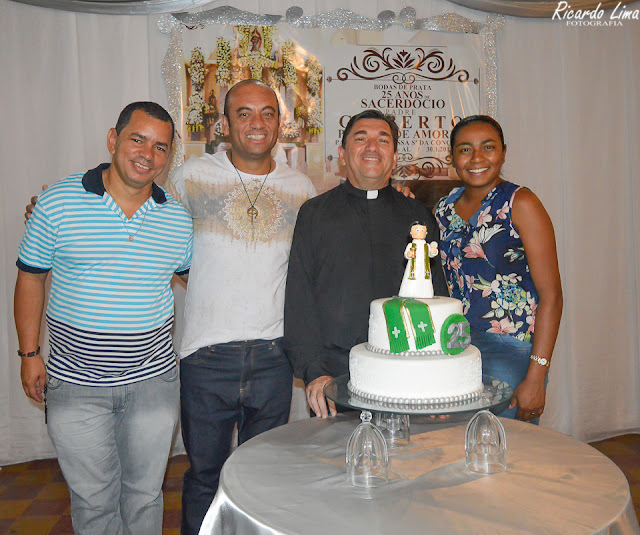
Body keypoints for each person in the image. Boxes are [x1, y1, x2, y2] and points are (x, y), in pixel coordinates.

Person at [15, 101, 193, 534]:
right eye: (137, 139)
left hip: (152, 383)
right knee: (94, 502)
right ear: (113, 140)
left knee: (145, 495)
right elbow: (31, 278)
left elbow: (204, 280)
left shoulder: (177, 220)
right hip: (74, 385)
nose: (147, 154)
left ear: (169, 157)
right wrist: (29, 354)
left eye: (160, 147)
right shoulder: (58, 202)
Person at [166, 79, 317, 535]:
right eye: (244, 113)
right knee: (204, 477)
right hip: (206, 355)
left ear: (280, 122)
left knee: (262, 477)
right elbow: (151, 231)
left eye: (268, 113)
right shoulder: (190, 176)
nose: (257, 123)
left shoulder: (300, 186)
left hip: (274, 356)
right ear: (224, 123)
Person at [284, 109, 448, 419]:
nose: (372, 147)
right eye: (361, 139)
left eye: (382, 140)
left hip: (407, 371)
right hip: (335, 377)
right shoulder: (314, 214)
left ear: (394, 157)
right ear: (343, 155)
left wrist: (438, 371)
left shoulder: (417, 217)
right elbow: (299, 299)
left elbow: (436, 295)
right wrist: (314, 371)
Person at [434, 114, 563, 423]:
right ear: (452, 157)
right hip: (457, 347)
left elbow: (552, 296)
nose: (477, 158)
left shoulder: (521, 202)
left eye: (488, 147)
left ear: (503, 153)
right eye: (465, 149)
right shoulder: (444, 208)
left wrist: (537, 375)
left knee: (507, 446)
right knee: (459, 443)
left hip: (509, 350)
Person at [398, 221, 439, 298]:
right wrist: (409, 254)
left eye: (422, 230)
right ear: (411, 233)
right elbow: (406, 254)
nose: (420, 232)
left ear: (426, 233)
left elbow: (431, 254)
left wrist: (433, 251)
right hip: (413, 268)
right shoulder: (411, 245)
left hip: (424, 268)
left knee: (424, 281)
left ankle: (425, 293)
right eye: (417, 230)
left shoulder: (427, 246)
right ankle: (410, 293)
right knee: (412, 281)